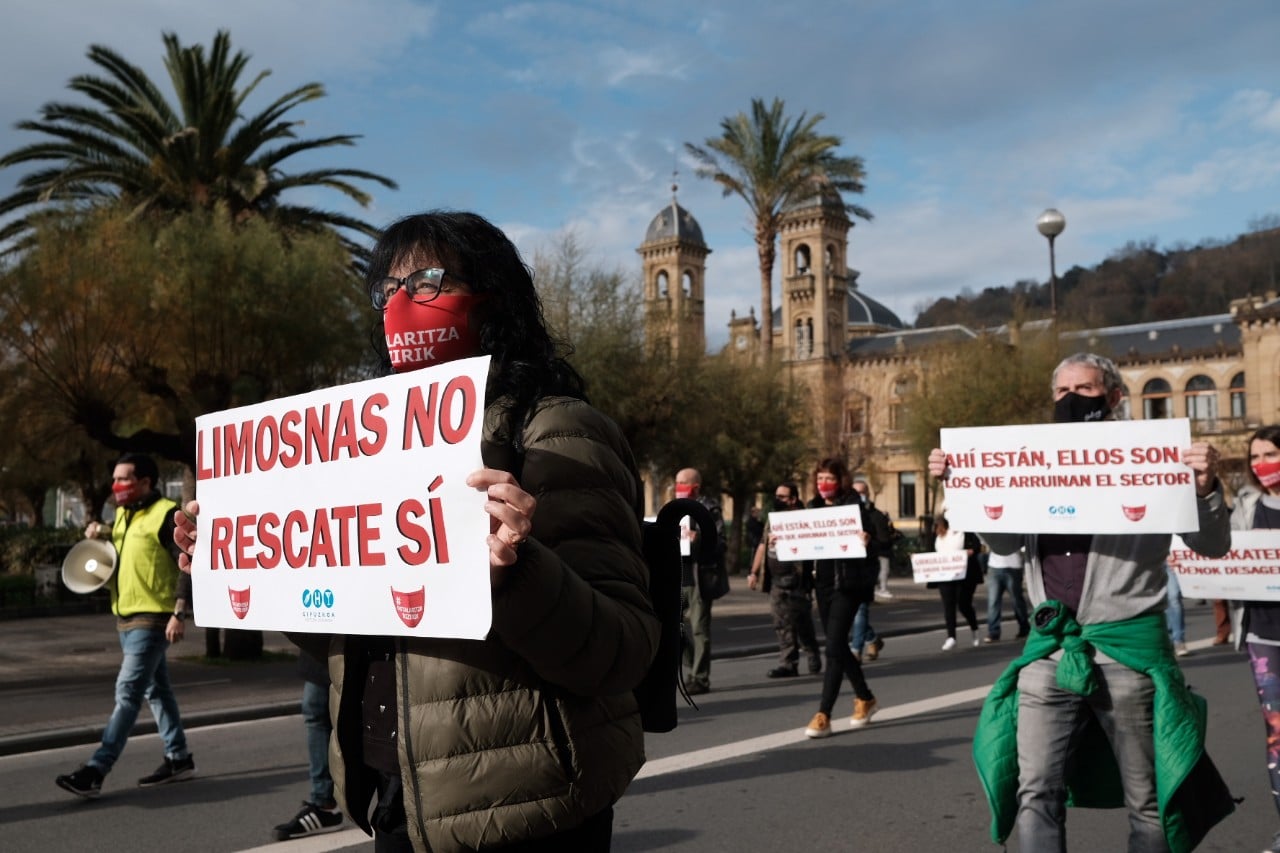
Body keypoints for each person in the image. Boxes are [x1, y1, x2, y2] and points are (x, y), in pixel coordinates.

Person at [177, 211, 659, 852]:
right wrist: (261, 565)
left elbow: (622, 651)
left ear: (492, 297)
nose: (403, 304)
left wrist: (516, 575)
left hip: (529, 808)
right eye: (387, 290)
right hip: (400, 801)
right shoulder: (367, 451)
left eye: (429, 281)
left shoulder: (556, 434)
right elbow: (351, 636)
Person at [940, 351, 1234, 851]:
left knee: (1146, 799)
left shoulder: (1155, 458)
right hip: (1047, 652)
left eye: (1085, 390)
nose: (1070, 400)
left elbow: (1212, 545)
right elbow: (1007, 542)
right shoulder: (1031, 459)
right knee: (1036, 792)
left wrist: (1205, 488)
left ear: (1115, 398)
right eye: (1061, 391)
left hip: (1126, 654)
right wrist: (965, 485)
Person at [56, 453, 195, 799]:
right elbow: (124, 550)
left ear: (145, 482)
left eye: (124, 480)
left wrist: (180, 612)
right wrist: (100, 531)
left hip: (154, 619)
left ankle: (95, 770)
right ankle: (179, 758)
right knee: (156, 690)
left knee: (128, 693)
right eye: (115, 479)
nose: (116, 486)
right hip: (127, 619)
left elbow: (187, 562)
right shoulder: (123, 516)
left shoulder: (165, 514)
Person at [1228, 424, 1280, 853]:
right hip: (1265, 636)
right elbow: (1222, 555)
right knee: (1278, 737)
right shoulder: (1246, 506)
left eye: (1272, 454)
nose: (1263, 465)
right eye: (1257, 457)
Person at [803, 458, 878, 738]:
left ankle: (824, 713)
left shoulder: (854, 506)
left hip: (848, 584)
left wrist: (867, 539)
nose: (824, 484)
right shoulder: (812, 507)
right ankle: (864, 697)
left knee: (833, 644)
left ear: (841, 480)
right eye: (820, 477)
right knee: (836, 647)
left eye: (829, 478)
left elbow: (879, 541)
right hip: (822, 584)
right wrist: (782, 543)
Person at [748, 481, 820, 678]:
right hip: (777, 581)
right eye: (776, 496)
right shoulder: (773, 520)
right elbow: (762, 545)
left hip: (797, 580)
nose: (777, 500)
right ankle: (789, 663)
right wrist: (753, 572)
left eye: (782, 497)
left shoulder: (804, 519)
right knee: (782, 623)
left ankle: (812, 653)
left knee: (801, 621)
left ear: (793, 499)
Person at [272, 650, 344, 840]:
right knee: (315, 710)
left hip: (365, 638)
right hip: (323, 640)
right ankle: (323, 804)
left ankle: (399, 800)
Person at [675, 466, 726, 696]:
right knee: (670, 624)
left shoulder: (709, 510)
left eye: (683, 483)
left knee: (699, 628)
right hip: (677, 575)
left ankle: (699, 677)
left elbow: (720, 543)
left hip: (699, 577)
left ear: (696, 486)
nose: (679, 488)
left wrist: (700, 538)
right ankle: (691, 663)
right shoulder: (673, 508)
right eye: (677, 483)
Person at [850, 480, 889, 660]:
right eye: (855, 492)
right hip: (847, 570)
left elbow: (883, 543)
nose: (859, 496)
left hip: (866, 569)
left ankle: (856, 649)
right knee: (851, 611)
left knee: (860, 610)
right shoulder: (845, 516)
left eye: (862, 492)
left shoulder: (876, 516)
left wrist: (869, 542)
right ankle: (872, 638)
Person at [931, 515, 983, 650]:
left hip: (964, 575)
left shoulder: (965, 531)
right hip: (945, 575)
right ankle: (951, 636)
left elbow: (977, 546)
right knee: (948, 605)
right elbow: (930, 551)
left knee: (963, 604)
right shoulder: (938, 533)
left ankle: (974, 629)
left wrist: (972, 551)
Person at [981, 541, 1030, 644]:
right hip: (994, 566)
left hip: (1013, 566)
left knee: (1017, 601)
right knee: (993, 601)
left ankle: (1024, 628)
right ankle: (993, 632)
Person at [1165, 564, 1189, 657]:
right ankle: (1168, 639)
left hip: (1168, 558)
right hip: (1147, 561)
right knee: (1162, 600)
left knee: (1173, 597)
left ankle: (1178, 640)